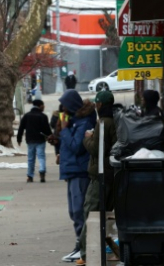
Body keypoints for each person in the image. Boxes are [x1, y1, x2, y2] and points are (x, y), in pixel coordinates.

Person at [76, 91, 118, 266]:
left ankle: (86, 253)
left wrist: (87, 139)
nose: (95, 107)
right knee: (103, 214)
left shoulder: (102, 123)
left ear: (100, 105)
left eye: (96, 104)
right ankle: (102, 248)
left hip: (100, 177)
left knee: (91, 213)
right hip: (111, 176)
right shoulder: (115, 121)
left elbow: (96, 150)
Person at [57, 89, 97, 263]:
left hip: (79, 171)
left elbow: (76, 146)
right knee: (74, 211)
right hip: (72, 170)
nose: (62, 109)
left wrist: (65, 131)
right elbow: (70, 144)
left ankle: (81, 248)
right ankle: (79, 244)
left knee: (79, 210)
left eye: (64, 105)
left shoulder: (84, 122)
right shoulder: (75, 121)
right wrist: (59, 138)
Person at [17, 99, 52, 183]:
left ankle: (30, 176)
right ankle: (42, 171)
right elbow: (47, 129)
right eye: (43, 106)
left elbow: (21, 128)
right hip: (40, 139)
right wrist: (50, 136)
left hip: (30, 139)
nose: (44, 107)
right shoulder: (43, 116)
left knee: (31, 158)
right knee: (41, 156)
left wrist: (19, 138)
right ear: (40, 106)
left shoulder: (26, 116)